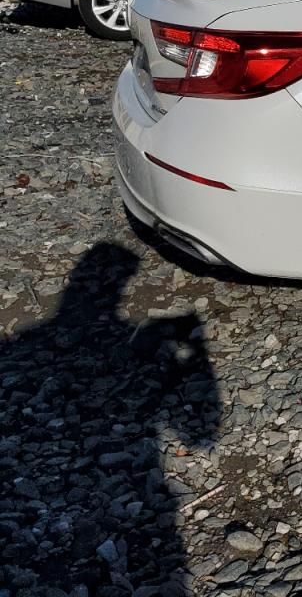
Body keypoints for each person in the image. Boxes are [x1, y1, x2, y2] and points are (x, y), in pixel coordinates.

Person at [0, 244, 220, 593]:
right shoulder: (126, 337)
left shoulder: (20, 345)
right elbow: (199, 433)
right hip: (133, 474)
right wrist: (193, 354)